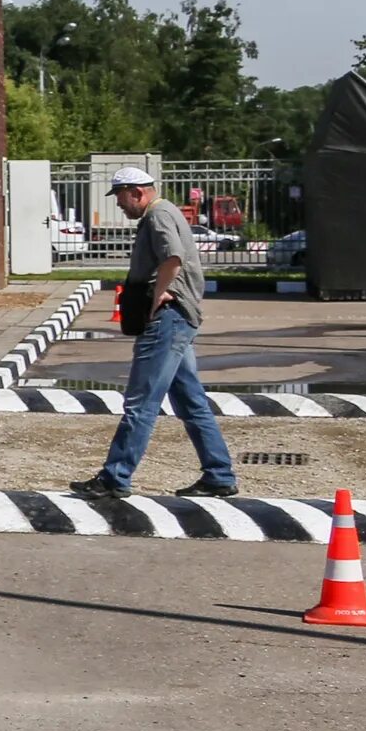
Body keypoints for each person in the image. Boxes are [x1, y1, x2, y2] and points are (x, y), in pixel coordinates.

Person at [73, 165, 239, 501]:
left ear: (137, 192)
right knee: (191, 402)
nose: (119, 205)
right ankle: (219, 475)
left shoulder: (158, 216)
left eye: (121, 198)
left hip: (167, 319)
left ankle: (115, 477)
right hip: (178, 319)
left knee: (141, 402)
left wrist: (160, 296)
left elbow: (172, 258)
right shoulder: (166, 212)